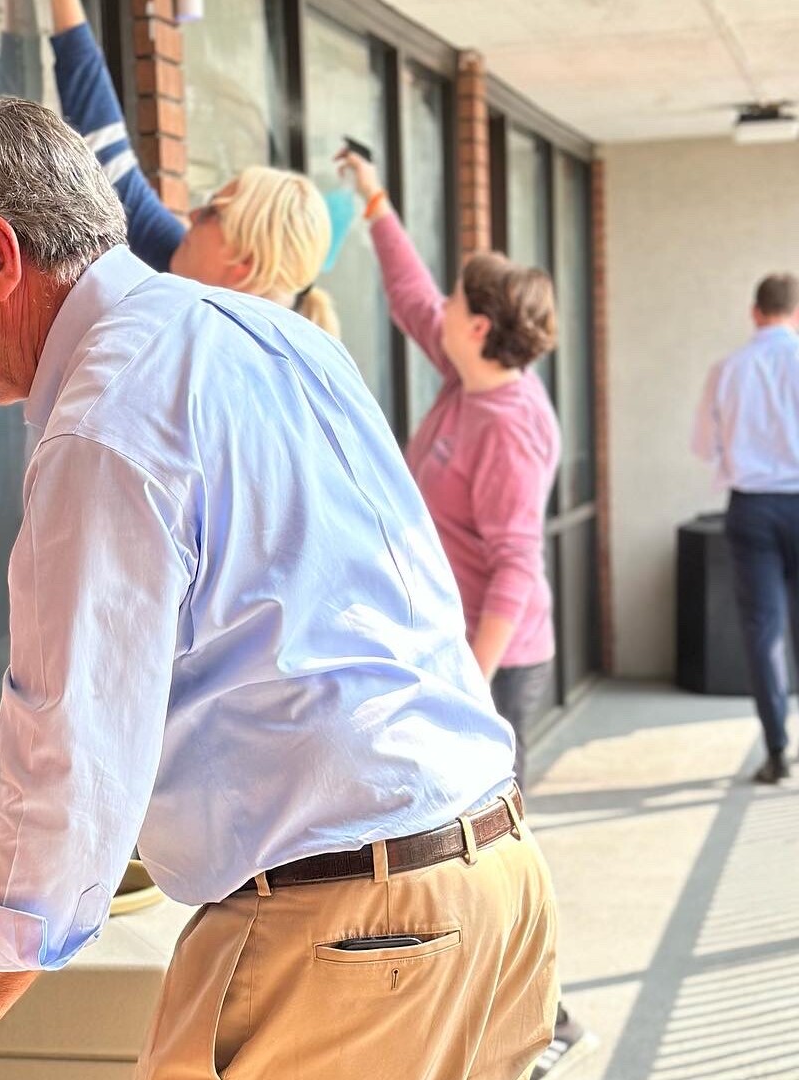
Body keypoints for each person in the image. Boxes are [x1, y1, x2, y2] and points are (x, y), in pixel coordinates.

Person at [0, 97, 557, 1080]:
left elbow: (69, 782)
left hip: (353, 934)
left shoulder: (104, 421)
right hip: (497, 886)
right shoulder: (277, 335)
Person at [338, 148, 596, 1080]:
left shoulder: (510, 428)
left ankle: (547, 1020)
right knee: (466, 845)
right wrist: (375, 201)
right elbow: (413, 297)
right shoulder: (465, 377)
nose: (437, 309)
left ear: (480, 328)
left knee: (493, 848)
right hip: (451, 655)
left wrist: (472, 688)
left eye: (456, 303)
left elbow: (518, 570)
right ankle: (518, 1012)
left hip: (498, 661)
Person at [39, 0, 342, 337]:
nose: (193, 214)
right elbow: (107, 151)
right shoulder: (185, 263)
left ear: (245, 265)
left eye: (213, 212)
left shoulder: (228, 358)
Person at [692, 273, 799, 784]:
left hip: (751, 508)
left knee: (762, 629)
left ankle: (776, 749)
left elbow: (702, 445)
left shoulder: (728, 369)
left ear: (755, 311)